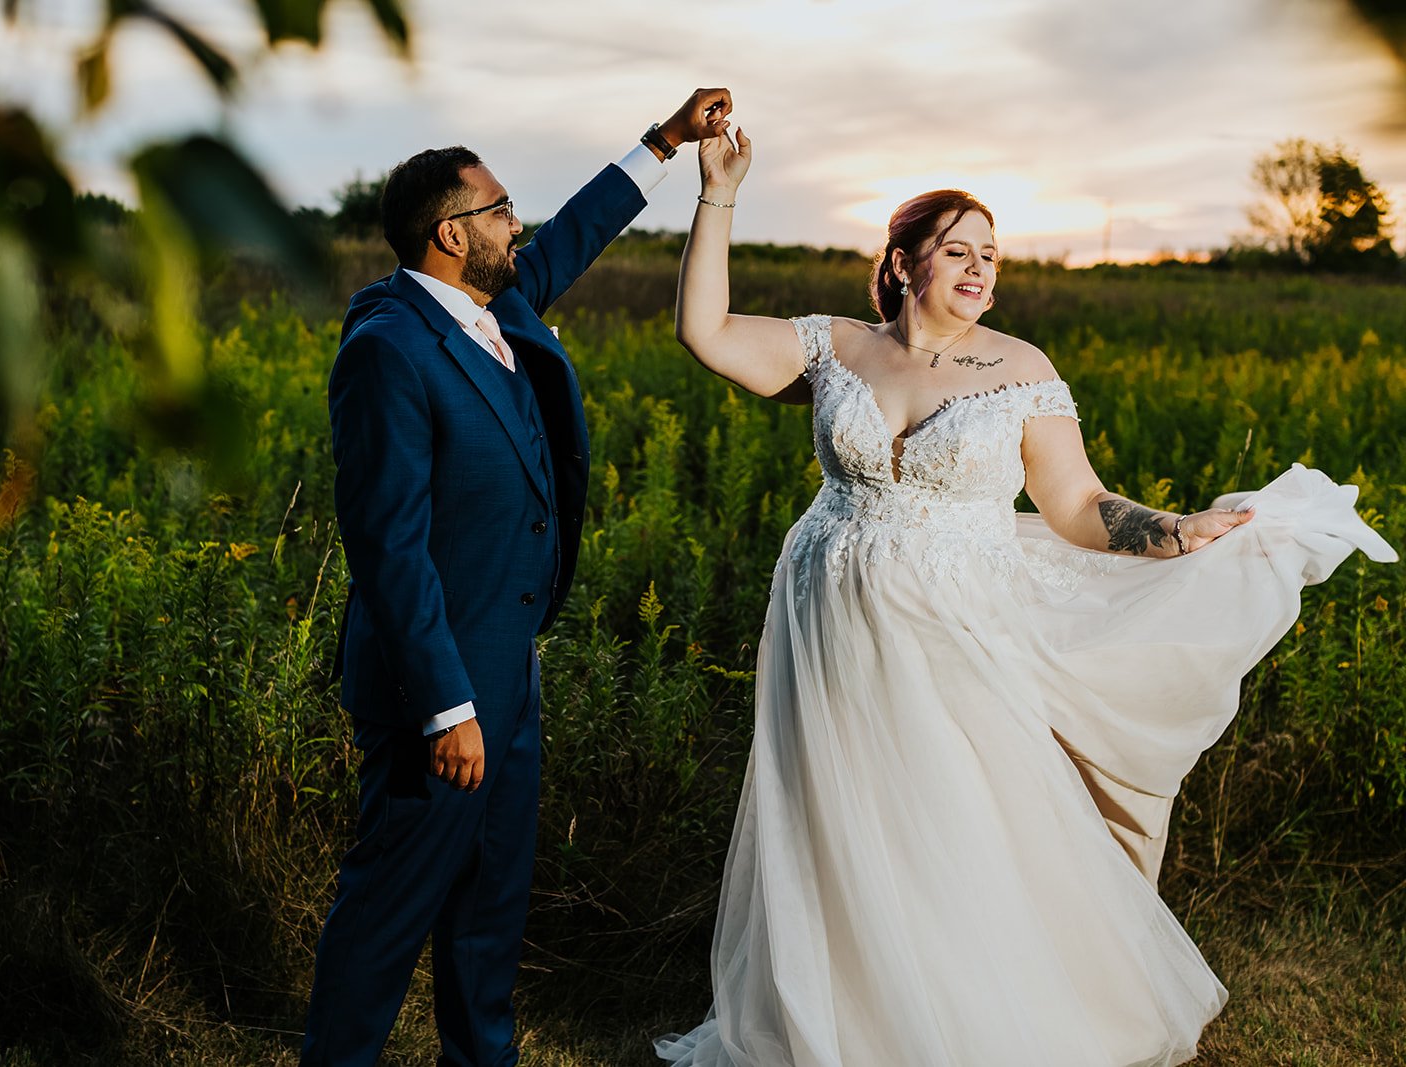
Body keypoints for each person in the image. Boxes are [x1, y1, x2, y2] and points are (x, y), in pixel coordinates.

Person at [654, 126, 1398, 1065]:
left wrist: (1172, 529)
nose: (979, 269)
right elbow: (706, 332)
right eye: (958, 250)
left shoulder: (1020, 369)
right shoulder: (834, 346)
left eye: (991, 255)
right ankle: (843, 1020)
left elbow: (1080, 504)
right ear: (903, 262)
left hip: (954, 624)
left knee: (950, 810)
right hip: (826, 613)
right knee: (835, 816)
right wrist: (717, 191)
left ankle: (967, 1019)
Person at [302, 89, 734, 1067]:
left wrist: (664, 142)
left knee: (487, 918)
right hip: (440, 689)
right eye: (500, 210)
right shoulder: (388, 348)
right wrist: (445, 706)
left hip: (510, 672)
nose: (518, 222)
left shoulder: (498, 303)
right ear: (452, 234)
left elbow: (575, 232)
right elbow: (387, 545)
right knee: (386, 915)